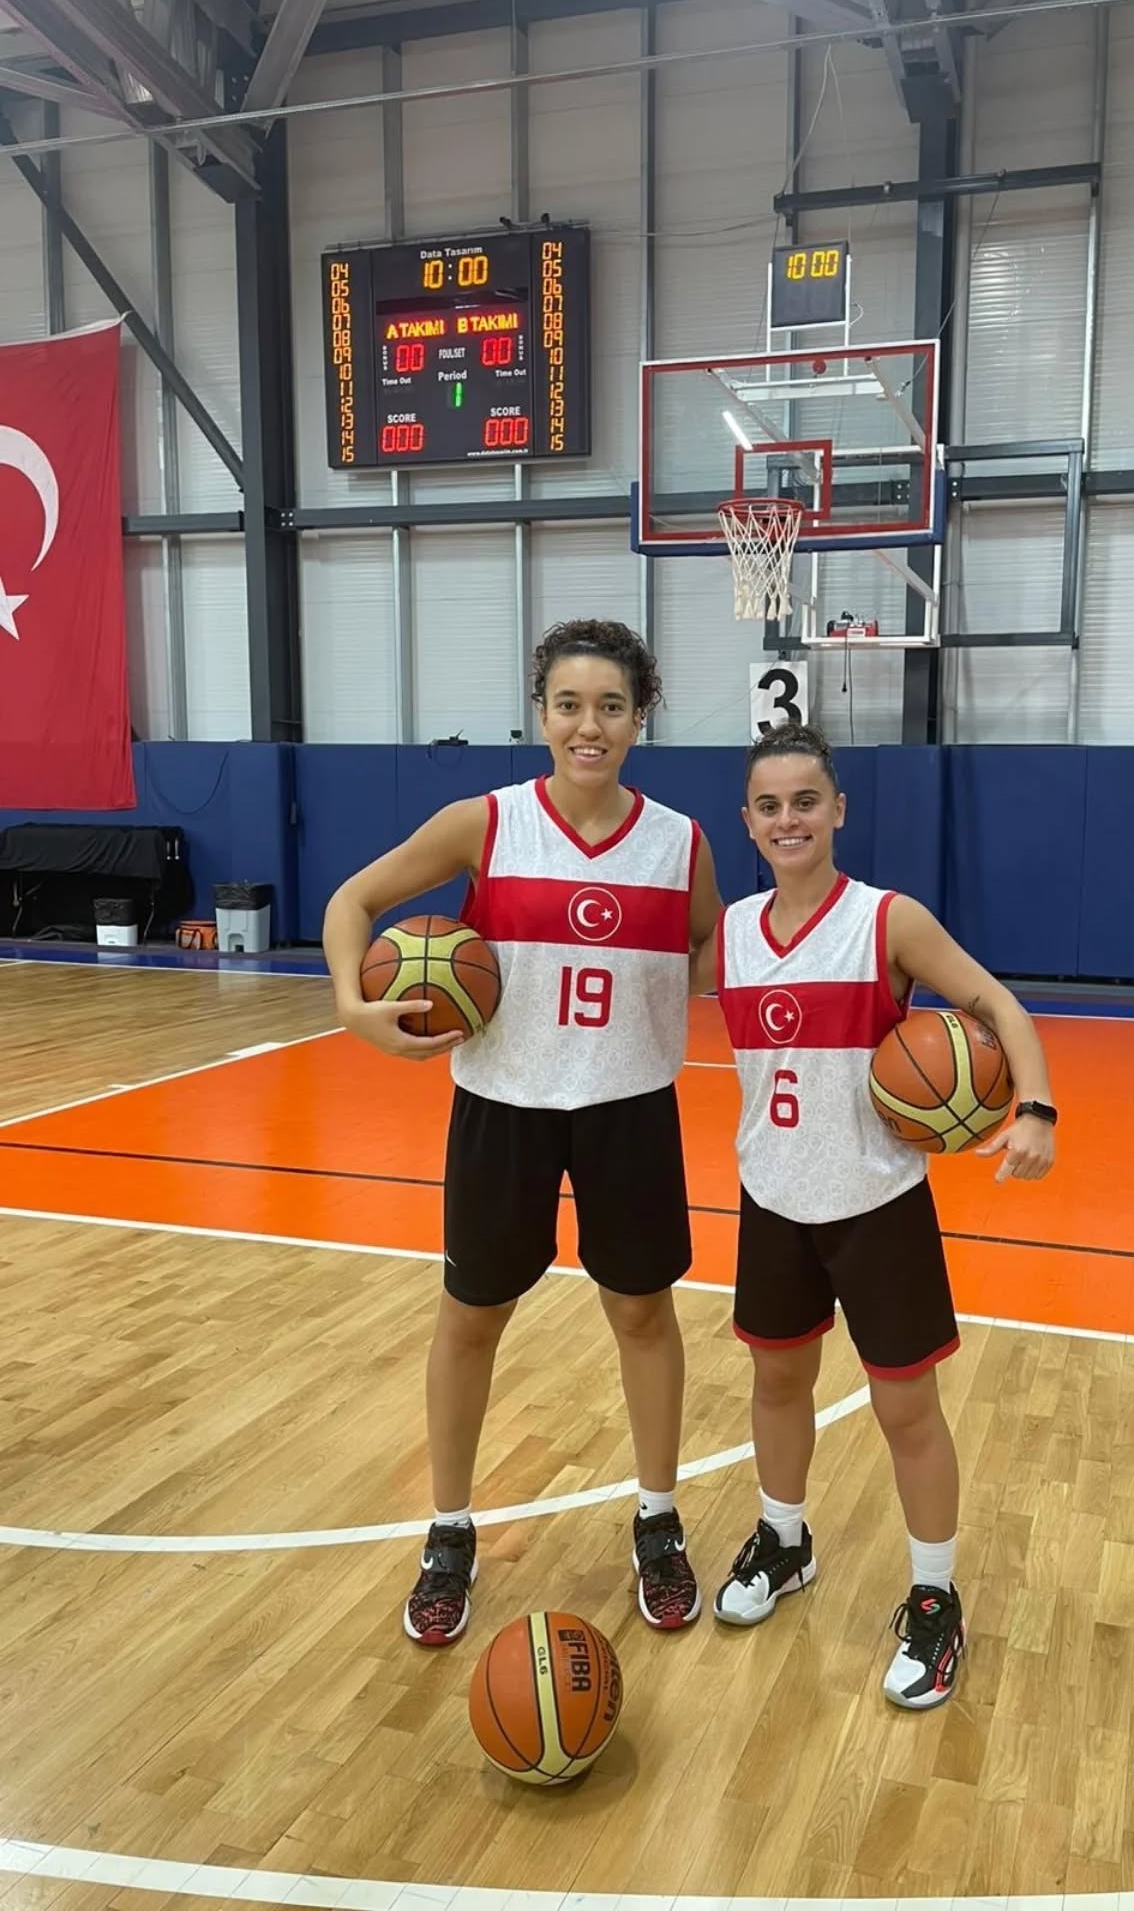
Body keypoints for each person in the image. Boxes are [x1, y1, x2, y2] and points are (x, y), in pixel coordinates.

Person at [324, 619, 721, 1646]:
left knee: (643, 1317)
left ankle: (658, 1519)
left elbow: (710, 951)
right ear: (540, 713)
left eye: (612, 706)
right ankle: (449, 1533)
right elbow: (353, 900)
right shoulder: (486, 822)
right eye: (569, 704)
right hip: (503, 1107)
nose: (590, 726)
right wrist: (354, 1007)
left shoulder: (680, 841)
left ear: (640, 717)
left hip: (631, 1107)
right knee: (471, 1318)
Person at [692, 721, 1056, 1709]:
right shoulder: (732, 934)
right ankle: (785, 1539)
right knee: (777, 1382)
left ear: (839, 810)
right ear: (747, 822)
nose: (789, 820)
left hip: (877, 1204)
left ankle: (935, 1598)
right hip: (773, 1197)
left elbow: (998, 1005)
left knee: (905, 1409)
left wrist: (1036, 1107)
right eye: (770, 806)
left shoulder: (887, 921)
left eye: (806, 801)